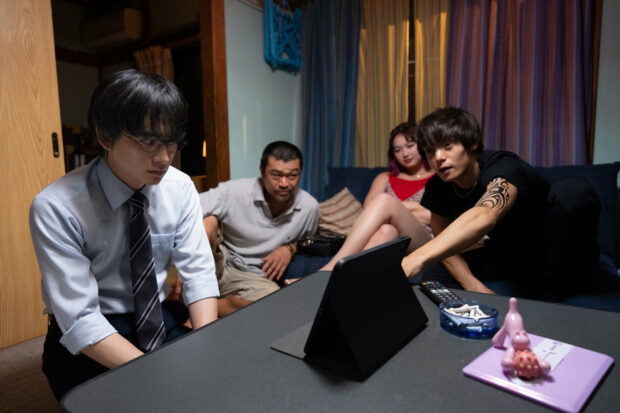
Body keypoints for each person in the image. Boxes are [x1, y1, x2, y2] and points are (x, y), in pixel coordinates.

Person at [29, 69, 219, 401]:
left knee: (214, 390)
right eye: (148, 142)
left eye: (171, 142)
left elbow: (199, 273)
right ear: (105, 137)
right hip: (94, 333)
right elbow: (81, 318)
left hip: (158, 316)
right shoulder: (56, 206)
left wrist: (207, 348)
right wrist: (155, 373)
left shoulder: (179, 187)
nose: (164, 158)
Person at [401, 107, 600, 297]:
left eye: (447, 146)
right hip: (514, 255)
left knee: (572, 191)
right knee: (436, 272)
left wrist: (415, 258)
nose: (438, 157)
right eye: (430, 151)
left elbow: (486, 213)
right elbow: (441, 234)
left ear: (472, 144)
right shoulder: (438, 186)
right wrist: (474, 285)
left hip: (557, 251)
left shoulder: (501, 165)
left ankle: (551, 290)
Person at [198, 141, 319, 315]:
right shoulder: (234, 191)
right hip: (219, 260)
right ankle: (201, 298)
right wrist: (210, 222)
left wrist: (290, 248)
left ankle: (212, 305)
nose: (284, 183)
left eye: (292, 176)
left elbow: (308, 243)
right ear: (262, 172)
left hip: (251, 275)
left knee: (275, 305)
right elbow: (188, 210)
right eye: (276, 175)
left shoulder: (309, 207)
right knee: (207, 222)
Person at [321, 122, 434, 271]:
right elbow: (369, 209)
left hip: (424, 240)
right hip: (391, 237)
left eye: (410, 146)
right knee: (386, 230)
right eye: (398, 150)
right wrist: (411, 210)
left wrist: (394, 210)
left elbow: (433, 217)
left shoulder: (437, 176)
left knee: (384, 201)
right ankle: (344, 277)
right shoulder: (384, 177)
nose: (405, 154)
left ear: (421, 144)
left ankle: (330, 269)